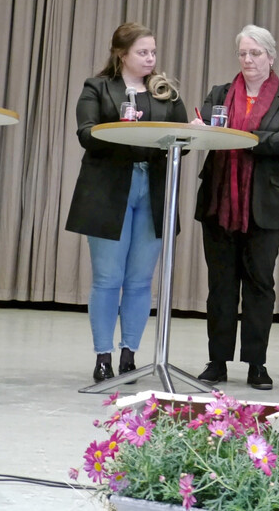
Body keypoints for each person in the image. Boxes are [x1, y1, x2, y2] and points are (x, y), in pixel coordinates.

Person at [65, 22, 187, 383]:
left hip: (154, 188)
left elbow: (182, 139)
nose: (150, 58)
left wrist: (192, 131)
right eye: (142, 52)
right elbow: (86, 133)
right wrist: (121, 127)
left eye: (153, 52)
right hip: (108, 189)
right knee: (107, 278)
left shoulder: (165, 92)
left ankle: (129, 355)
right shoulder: (98, 87)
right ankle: (103, 356)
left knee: (140, 280)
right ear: (121, 54)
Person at [193, 25, 279, 391]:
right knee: (221, 286)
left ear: (270, 57)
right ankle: (217, 362)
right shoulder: (219, 94)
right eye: (243, 53)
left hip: (266, 207)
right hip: (219, 204)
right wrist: (201, 129)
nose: (248, 60)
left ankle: (257, 363)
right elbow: (207, 131)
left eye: (255, 53)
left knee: (260, 286)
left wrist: (247, 139)